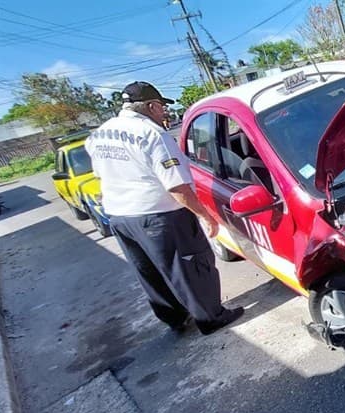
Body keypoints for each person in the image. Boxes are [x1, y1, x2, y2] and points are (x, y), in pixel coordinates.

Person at [85, 81, 244, 335]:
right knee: (189, 265)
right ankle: (210, 317)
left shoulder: (100, 134)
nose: (164, 113)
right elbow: (177, 187)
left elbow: (100, 174)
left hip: (120, 216)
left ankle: (176, 319)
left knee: (149, 270)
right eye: (161, 108)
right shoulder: (152, 134)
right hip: (159, 214)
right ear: (151, 106)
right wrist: (205, 216)